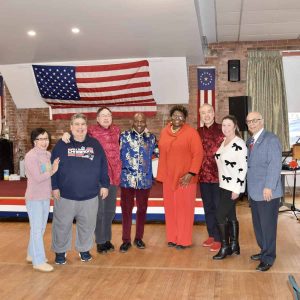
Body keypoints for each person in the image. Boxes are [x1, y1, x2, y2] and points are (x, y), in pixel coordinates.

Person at [51, 113, 109, 264]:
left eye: (82, 124)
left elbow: (104, 165)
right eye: (76, 124)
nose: (80, 127)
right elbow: (52, 166)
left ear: (86, 127)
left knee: (87, 226)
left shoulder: (95, 144)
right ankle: (60, 252)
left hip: (89, 196)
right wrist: (54, 186)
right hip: (65, 195)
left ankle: (84, 250)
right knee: (62, 226)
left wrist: (105, 185)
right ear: (71, 127)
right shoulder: (62, 144)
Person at [62, 107, 121, 254]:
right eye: (103, 115)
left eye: (108, 115)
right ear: (97, 119)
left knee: (109, 211)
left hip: (114, 177)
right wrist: (66, 134)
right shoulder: (92, 131)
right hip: (100, 177)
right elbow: (78, 132)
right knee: (100, 211)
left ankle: (107, 238)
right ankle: (100, 241)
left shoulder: (117, 131)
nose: (106, 118)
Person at [157, 105, 203, 249]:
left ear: (184, 119)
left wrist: (191, 173)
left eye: (181, 116)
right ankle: (172, 237)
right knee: (170, 209)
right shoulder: (164, 131)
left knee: (184, 210)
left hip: (185, 178)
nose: (177, 118)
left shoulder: (191, 133)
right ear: (170, 118)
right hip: (169, 177)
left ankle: (183, 240)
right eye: (175, 116)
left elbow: (198, 154)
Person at [246, 111, 282, 272]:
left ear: (262, 121)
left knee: (268, 226)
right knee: (259, 226)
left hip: (267, 191)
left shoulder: (271, 139)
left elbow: (275, 165)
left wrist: (269, 186)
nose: (252, 124)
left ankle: (268, 257)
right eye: (249, 121)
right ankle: (263, 250)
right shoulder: (251, 140)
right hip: (254, 191)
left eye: (255, 120)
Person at [119, 112, 159, 253]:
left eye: (142, 121)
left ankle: (138, 238)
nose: (140, 124)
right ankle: (126, 240)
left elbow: (160, 154)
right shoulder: (123, 137)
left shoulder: (152, 138)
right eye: (137, 121)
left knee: (142, 210)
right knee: (126, 210)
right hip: (126, 180)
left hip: (144, 181)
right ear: (133, 122)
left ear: (146, 123)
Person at [25, 128, 59, 272]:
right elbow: (38, 177)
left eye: (46, 139)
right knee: (37, 229)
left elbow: (47, 175)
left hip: (45, 196)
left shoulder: (47, 154)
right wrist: (53, 170)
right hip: (34, 198)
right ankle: (38, 261)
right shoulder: (30, 156)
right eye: (40, 139)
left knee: (39, 228)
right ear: (34, 141)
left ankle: (31, 254)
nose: (44, 142)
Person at [213, 115, 247, 260]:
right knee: (231, 215)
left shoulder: (239, 143)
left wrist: (237, 189)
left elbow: (243, 167)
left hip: (233, 186)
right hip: (223, 184)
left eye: (229, 125)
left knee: (219, 215)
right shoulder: (224, 141)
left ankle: (225, 247)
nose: (225, 128)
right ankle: (235, 245)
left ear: (235, 126)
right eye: (223, 125)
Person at [198, 103, 224, 252]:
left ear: (214, 113)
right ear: (200, 116)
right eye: (203, 113)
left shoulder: (222, 129)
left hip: (219, 177)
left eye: (209, 112)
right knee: (208, 208)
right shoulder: (197, 132)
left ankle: (220, 238)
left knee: (219, 208)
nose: (206, 115)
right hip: (203, 176)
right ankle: (212, 235)